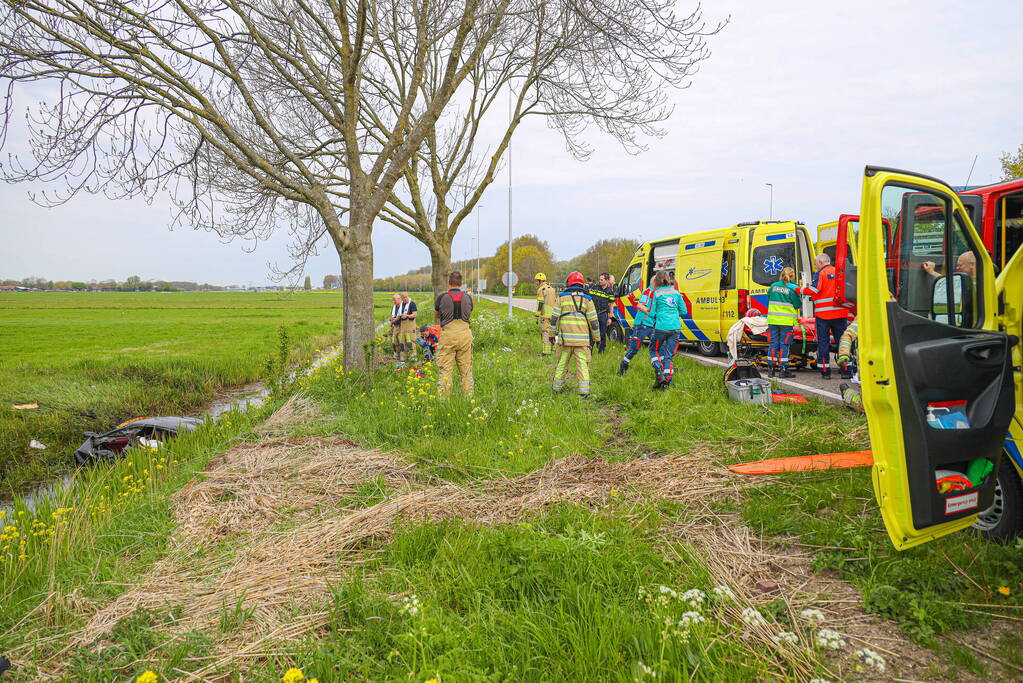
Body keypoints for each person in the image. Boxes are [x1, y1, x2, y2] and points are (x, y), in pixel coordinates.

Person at [796, 253, 847, 379]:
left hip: (823, 315)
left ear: (820, 262)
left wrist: (799, 290)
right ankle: (846, 370)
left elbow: (814, 290)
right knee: (843, 342)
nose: (815, 266)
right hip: (840, 313)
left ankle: (825, 371)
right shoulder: (840, 272)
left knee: (823, 342)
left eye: (815, 264)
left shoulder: (820, 274)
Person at [550, 271, 599, 396]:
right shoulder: (588, 300)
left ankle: (556, 388)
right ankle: (584, 392)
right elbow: (594, 322)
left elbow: (554, 319)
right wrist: (597, 338)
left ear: (569, 282)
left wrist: (551, 335)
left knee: (562, 363)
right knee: (582, 365)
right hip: (582, 342)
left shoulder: (561, 298)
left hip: (565, 341)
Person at [434, 271, 474, 396]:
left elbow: (437, 315)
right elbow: (469, 313)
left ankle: (444, 399)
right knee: (466, 369)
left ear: (449, 283)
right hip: (465, 334)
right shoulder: (468, 297)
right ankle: (468, 396)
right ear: (461, 283)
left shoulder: (441, 297)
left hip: (448, 335)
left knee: (445, 369)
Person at [648, 271, 686, 389]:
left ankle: (659, 370)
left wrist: (658, 316)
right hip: (675, 328)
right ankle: (667, 383)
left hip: (661, 328)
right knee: (668, 356)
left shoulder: (656, 294)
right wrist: (673, 314)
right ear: (668, 279)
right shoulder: (676, 293)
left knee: (654, 350)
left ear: (657, 280)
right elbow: (684, 311)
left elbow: (652, 313)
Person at [766, 266, 801, 378]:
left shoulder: (773, 286)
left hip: (772, 320)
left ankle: (771, 369)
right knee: (784, 344)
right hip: (786, 322)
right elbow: (798, 304)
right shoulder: (793, 288)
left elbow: (768, 299)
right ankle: (783, 369)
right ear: (792, 276)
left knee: (773, 343)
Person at [618, 280, 655, 376]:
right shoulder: (648, 291)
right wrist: (651, 313)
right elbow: (640, 305)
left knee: (658, 347)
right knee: (634, 348)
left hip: (652, 325)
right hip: (642, 324)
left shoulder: (657, 293)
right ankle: (623, 365)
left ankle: (662, 370)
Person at [837, 319, 863, 412]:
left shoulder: (895, 312)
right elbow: (847, 335)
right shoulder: (865, 316)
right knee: (865, 406)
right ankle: (847, 393)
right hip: (869, 370)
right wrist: (844, 354)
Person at [587, 272, 616, 354]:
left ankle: (601, 350)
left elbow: (611, 305)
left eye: (602, 279)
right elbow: (588, 300)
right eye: (599, 279)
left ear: (607, 281)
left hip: (603, 314)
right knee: (592, 332)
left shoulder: (610, 291)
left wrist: (610, 317)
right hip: (593, 314)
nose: (600, 281)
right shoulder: (594, 288)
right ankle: (590, 350)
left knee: (602, 333)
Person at [534, 272, 557, 356]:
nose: (535, 283)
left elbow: (540, 302)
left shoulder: (541, 289)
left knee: (545, 332)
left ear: (540, 281)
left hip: (545, 315)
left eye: (536, 281)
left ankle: (546, 352)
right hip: (553, 314)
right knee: (553, 332)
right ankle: (554, 349)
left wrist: (537, 313)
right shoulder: (551, 288)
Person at [398, 291, 418, 361]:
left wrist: (407, 315)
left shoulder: (412, 304)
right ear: (402, 298)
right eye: (404, 297)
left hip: (410, 324)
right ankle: (404, 358)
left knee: (411, 341)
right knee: (403, 340)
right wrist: (394, 319)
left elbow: (414, 314)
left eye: (406, 297)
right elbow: (399, 314)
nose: (406, 298)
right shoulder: (402, 304)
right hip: (403, 324)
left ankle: (413, 358)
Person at [388, 293, 403, 360]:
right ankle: (397, 354)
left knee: (402, 340)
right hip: (395, 325)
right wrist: (391, 322)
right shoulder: (394, 307)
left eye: (394, 300)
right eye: (393, 300)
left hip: (403, 325)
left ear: (399, 299)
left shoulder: (404, 306)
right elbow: (392, 315)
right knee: (395, 340)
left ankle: (403, 355)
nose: (393, 301)